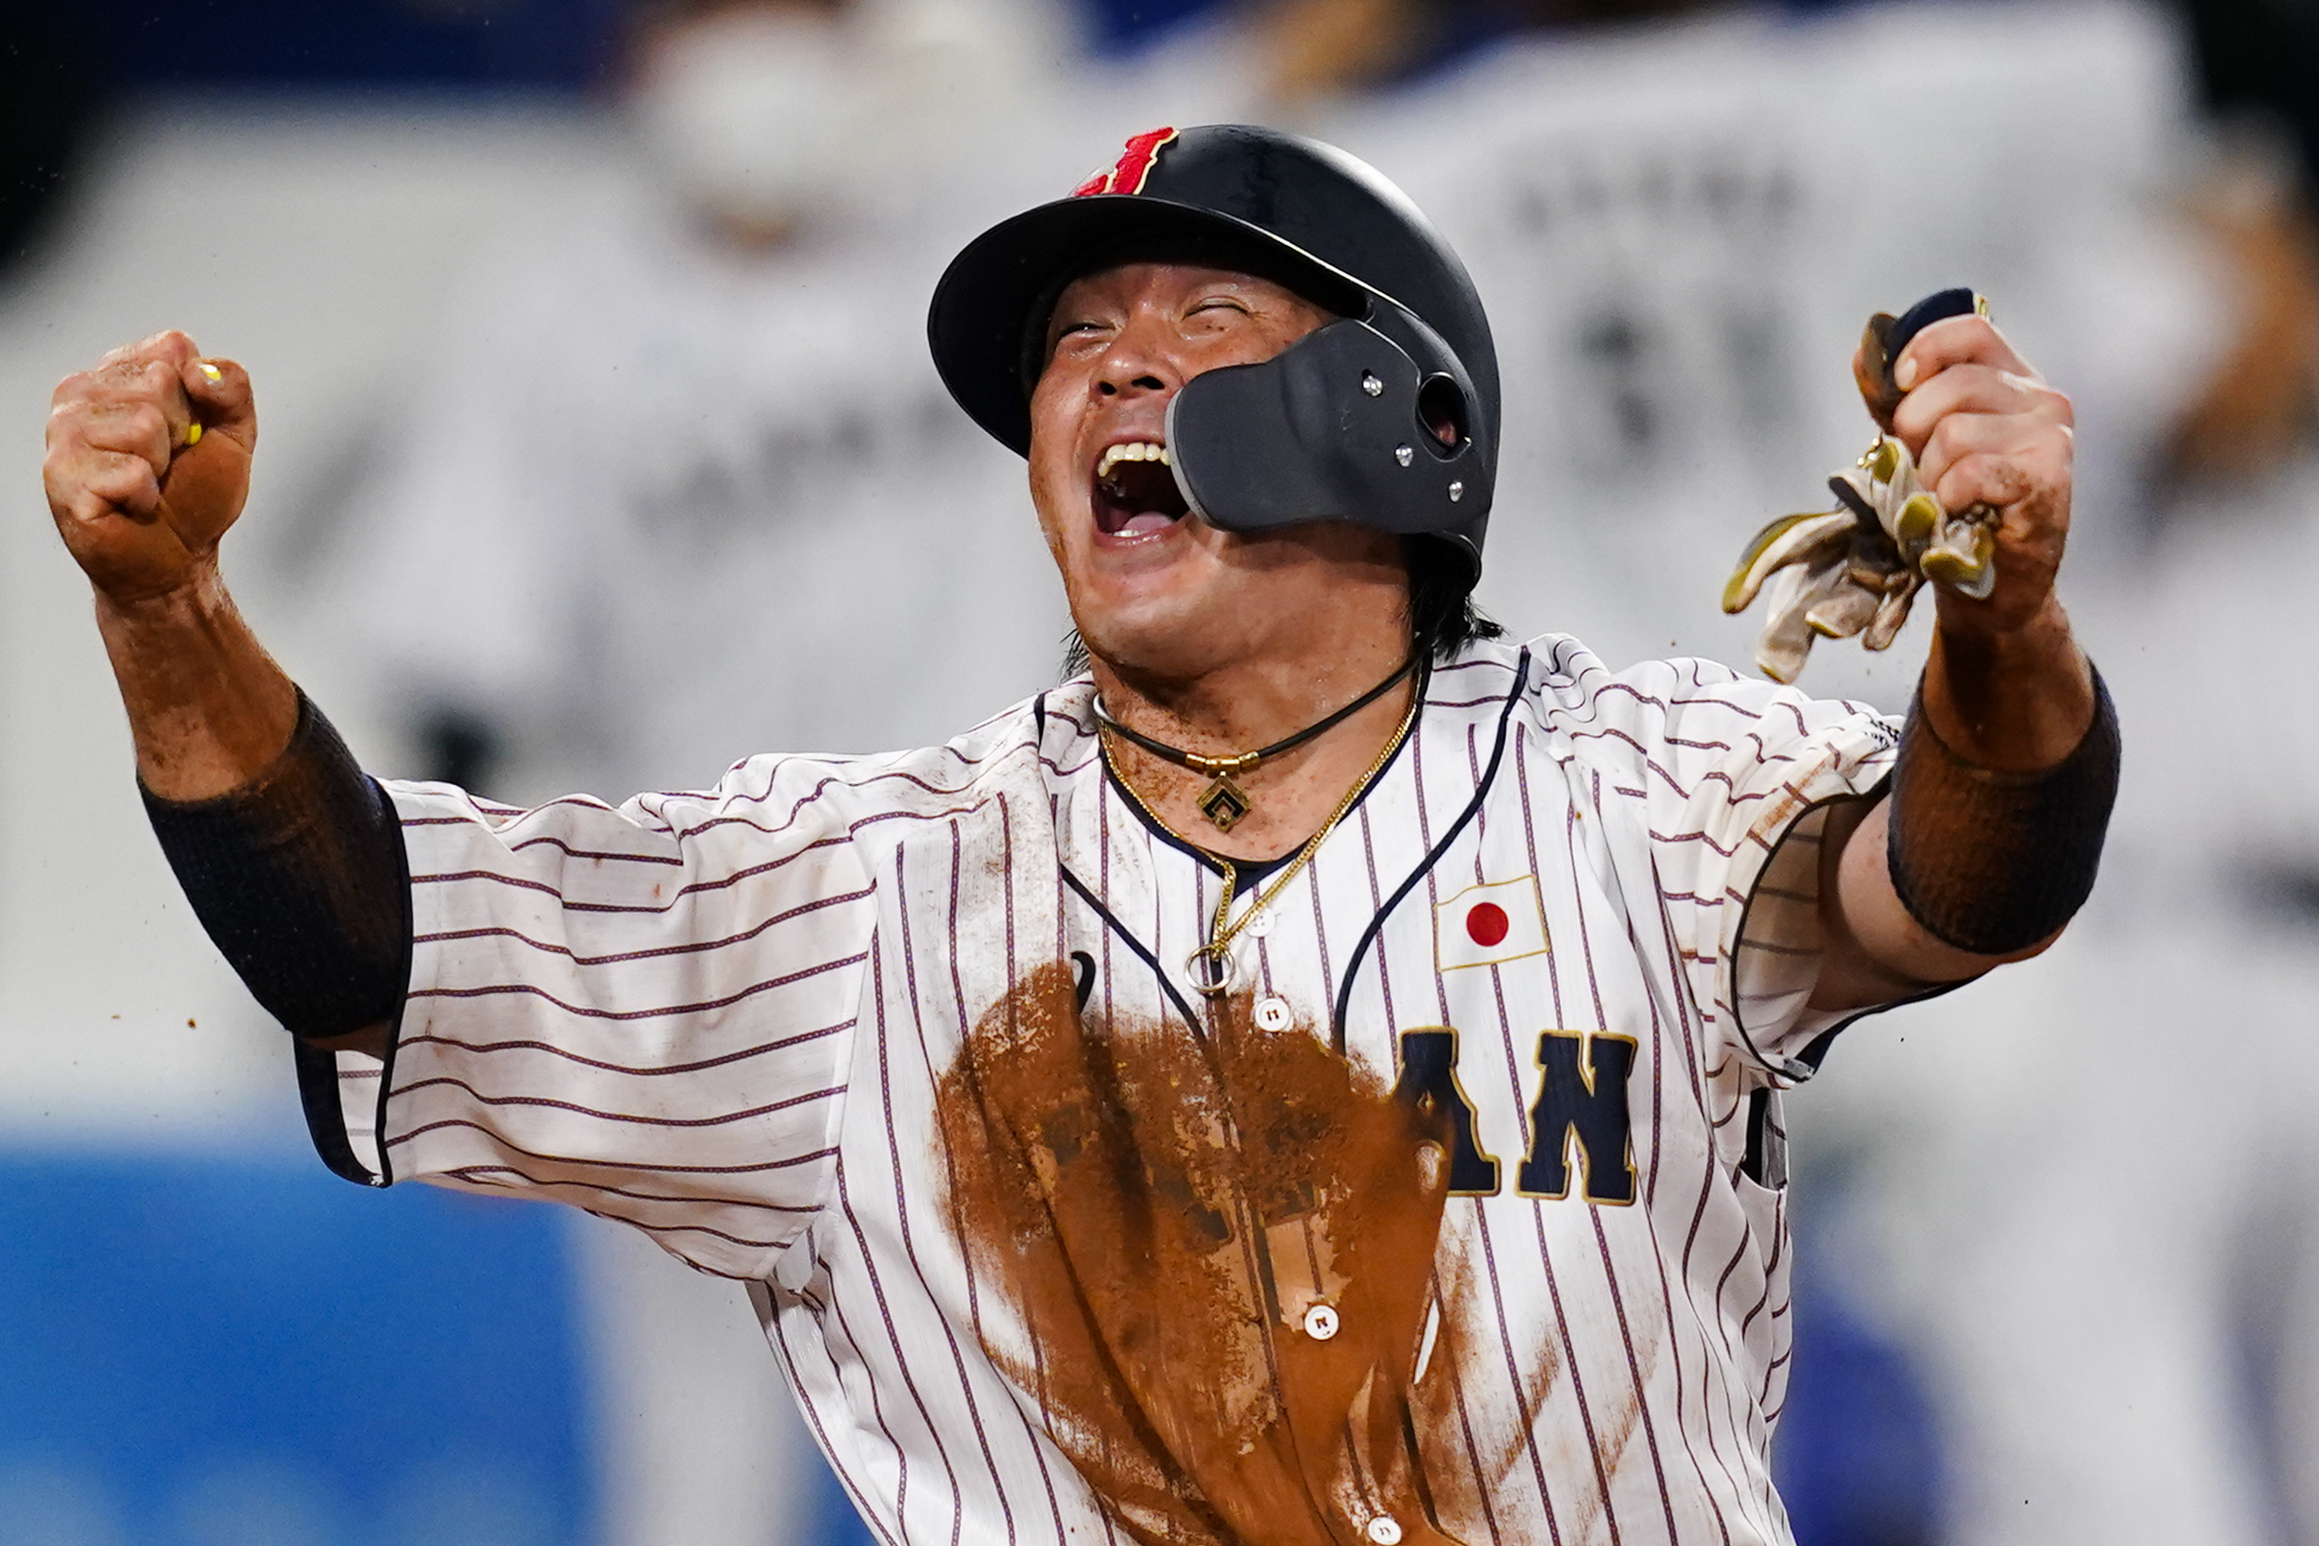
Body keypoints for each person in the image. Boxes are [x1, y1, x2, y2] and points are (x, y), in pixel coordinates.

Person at [42, 123, 2115, 1542]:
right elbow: (369, 939)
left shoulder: (1635, 783)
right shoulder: (859, 892)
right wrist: (167, 610)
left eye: (1202, 319)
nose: (1108, 360)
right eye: (1068, 341)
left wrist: (2002, 624)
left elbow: (1966, 873)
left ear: (1409, 426)